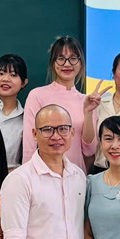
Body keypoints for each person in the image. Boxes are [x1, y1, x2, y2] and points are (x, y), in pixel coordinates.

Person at [1, 104, 88, 239]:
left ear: (72, 132)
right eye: (47, 129)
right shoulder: (19, 180)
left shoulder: (79, 176)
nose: (56, 136)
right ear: (34, 133)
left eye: (63, 129)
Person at [23, 36, 97, 172]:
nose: (67, 64)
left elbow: (89, 150)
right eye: (61, 58)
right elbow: (29, 145)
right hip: (42, 175)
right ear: (53, 63)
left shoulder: (87, 102)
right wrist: (28, 176)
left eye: (73, 58)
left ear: (81, 63)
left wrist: (88, 112)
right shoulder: (37, 95)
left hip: (75, 176)